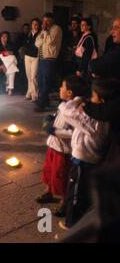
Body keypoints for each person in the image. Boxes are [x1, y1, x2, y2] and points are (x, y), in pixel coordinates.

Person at [59, 78, 111, 230]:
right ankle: (78, 220)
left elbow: (69, 113)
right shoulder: (99, 115)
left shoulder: (96, 118)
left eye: (92, 96)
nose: (89, 100)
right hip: (86, 158)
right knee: (81, 191)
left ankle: (72, 225)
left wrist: (78, 100)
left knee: (75, 193)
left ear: (100, 99)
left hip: (84, 159)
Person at [36, 76, 88, 217]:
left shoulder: (76, 110)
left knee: (61, 176)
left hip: (63, 150)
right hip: (53, 146)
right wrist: (51, 119)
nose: (59, 88)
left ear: (70, 92)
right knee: (49, 171)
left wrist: (55, 131)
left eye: (62, 87)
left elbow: (73, 132)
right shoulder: (64, 104)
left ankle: (64, 202)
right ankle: (49, 192)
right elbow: (57, 117)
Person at [35, 13, 63, 112]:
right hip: (41, 59)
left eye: (47, 21)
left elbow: (50, 41)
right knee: (40, 81)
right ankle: (44, 101)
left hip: (49, 59)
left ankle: (41, 104)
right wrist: (44, 34)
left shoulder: (56, 29)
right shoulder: (44, 31)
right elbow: (37, 43)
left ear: (52, 20)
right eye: (44, 21)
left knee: (46, 82)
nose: (45, 23)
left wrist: (45, 32)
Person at [0, 31, 18, 96]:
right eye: (3, 37)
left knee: (12, 66)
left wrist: (11, 52)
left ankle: (8, 84)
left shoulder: (11, 44)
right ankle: (10, 88)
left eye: (6, 37)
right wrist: (2, 65)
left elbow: (15, 54)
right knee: (13, 68)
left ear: (8, 38)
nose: (4, 38)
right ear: (0, 37)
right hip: (0, 63)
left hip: (8, 63)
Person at [24, 18, 41, 102]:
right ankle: (29, 92)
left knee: (33, 76)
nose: (35, 25)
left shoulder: (40, 33)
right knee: (28, 75)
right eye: (33, 24)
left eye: (36, 24)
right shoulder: (28, 33)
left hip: (35, 56)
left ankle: (35, 95)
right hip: (27, 56)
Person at [59, 16, 81, 81]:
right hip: (67, 57)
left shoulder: (81, 34)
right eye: (72, 24)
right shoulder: (67, 34)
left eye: (75, 23)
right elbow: (63, 44)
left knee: (74, 76)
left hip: (77, 59)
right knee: (65, 74)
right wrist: (68, 48)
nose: (73, 25)